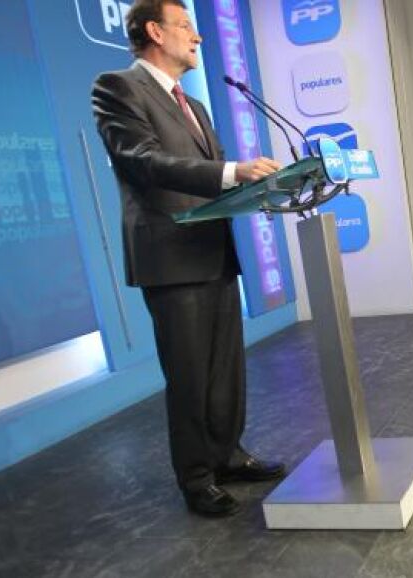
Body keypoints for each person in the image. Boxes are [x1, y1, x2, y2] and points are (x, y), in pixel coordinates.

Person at [91, 0, 285, 518]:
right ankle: (197, 477)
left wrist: (260, 190)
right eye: (185, 26)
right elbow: (143, 161)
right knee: (190, 374)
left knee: (225, 369)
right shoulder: (117, 88)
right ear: (155, 32)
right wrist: (234, 171)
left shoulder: (194, 105)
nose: (197, 37)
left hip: (212, 248)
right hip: (170, 255)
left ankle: (228, 456)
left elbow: (213, 175)